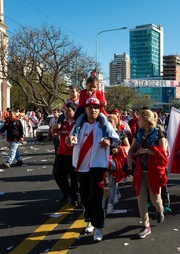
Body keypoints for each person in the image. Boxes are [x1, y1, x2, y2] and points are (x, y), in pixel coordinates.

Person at [66, 97, 119, 242]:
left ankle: (98, 227)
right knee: (84, 196)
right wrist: (68, 140)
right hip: (81, 167)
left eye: (96, 107)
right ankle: (89, 220)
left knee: (96, 198)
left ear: (99, 109)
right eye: (90, 107)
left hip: (98, 166)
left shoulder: (104, 125)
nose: (93, 110)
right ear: (86, 109)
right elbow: (70, 139)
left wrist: (109, 141)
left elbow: (116, 139)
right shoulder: (79, 125)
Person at [127, 109, 168, 239]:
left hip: (154, 171)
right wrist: (129, 157)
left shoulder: (158, 133)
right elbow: (132, 148)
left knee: (155, 198)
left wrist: (147, 151)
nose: (137, 121)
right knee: (141, 198)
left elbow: (163, 155)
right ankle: (146, 226)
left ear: (145, 120)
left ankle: (159, 209)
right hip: (140, 170)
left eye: (139, 119)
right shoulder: (138, 133)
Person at [52, 102, 79, 205]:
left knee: (74, 177)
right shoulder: (62, 122)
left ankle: (74, 196)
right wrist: (53, 130)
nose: (66, 112)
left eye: (69, 110)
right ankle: (67, 192)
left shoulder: (78, 124)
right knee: (57, 174)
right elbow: (54, 133)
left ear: (74, 111)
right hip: (61, 153)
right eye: (65, 110)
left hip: (74, 154)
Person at [106, 114, 130, 214]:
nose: (109, 123)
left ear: (115, 122)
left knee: (113, 182)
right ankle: (116, 194)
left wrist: (119, 149)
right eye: (107, 121)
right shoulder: (104, 133)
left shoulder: (121, 133)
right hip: (104, 160)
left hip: (116, 162)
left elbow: (128, 146)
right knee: (109, 182)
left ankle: (110, 204)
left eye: (110, 121)